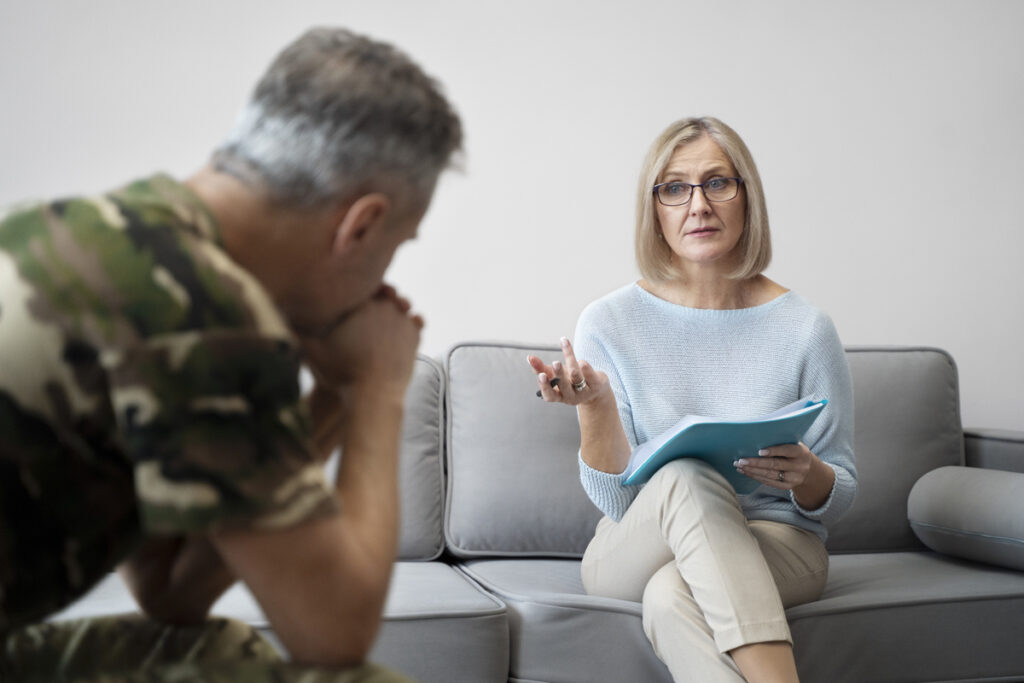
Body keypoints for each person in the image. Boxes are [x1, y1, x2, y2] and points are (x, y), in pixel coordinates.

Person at [0, 26, 462, 681]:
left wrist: (334, 399)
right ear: (359, 226)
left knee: (202, 649)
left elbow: (168, 592)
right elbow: (334, 633)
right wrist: (380, 389)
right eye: (397, 244)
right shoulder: (207, 314)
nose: (386, 280)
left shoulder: (90, 231)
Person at [528, 116, 856, 683]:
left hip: (778, 543)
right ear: (655, 210)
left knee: (670, 595)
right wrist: (597, 408)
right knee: (681, 477)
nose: (697, 204)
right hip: (635, 547)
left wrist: (806, 474)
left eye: (717, 183)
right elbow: (619, 504)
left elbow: (842, 491)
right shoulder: (607, 321)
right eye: (675, 188)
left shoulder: (806, 329)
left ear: (746, 197)